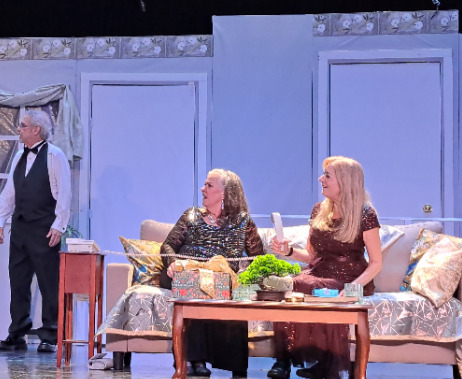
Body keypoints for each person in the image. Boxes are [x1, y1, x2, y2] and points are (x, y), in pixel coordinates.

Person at [268, 156, 383, 379]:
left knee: (312, 287)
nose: (321, 179)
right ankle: (283, 360)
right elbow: (312, 256)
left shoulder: (365, 214)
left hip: (350, 277)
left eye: (327, 175)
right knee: (292, 285)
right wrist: (288, 251)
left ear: (345, 181)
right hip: (319, 271)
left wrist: (352, 289)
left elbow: (376, 262)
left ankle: (325, 363)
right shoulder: (318, 210)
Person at [159, 169, 264, 378]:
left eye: (209, 185)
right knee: (199, 285)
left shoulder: (243, 221)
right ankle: (194, 359)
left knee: (224, 287)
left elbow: (258, 258)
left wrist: (247, 278)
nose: (202, 189)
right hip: (185, 272)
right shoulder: (191, 215)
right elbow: (168, 245)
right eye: (204, 184)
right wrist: (172, 263)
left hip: (221, 276)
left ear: (225, 193)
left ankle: (234, 364)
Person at [0, 110, 71, 353]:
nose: (19, 129)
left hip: (44, 228)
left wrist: (59, 225)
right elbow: (9, 192)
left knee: (48, 283)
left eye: (23, 125)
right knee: (18, 282)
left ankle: (50, 335)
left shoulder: (55, 155)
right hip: (21, 228)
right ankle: (17, 333)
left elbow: (64, 193)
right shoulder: (19, 156)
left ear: (36, 130)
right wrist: (0, 220)